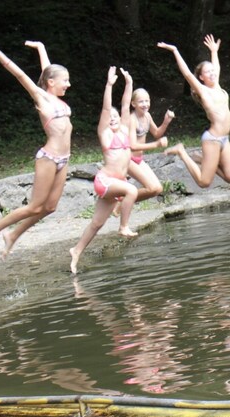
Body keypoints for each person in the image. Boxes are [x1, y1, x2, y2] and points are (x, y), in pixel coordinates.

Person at [0, 41, 72, 259]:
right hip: (49, 158)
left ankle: (13, 235)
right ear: (51, 82)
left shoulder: (57, 99)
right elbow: (18, 74)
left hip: (64, 158)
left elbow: (48, 70)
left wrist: (42, 48)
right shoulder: (40, 96)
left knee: (50, 207)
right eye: (65, 80)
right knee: (36, 207)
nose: (69, 84)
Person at [69, 66, 138, 274]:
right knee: (132, 190)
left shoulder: (125, 130)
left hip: (115, 186)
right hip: (106, 181)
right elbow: (107, 109)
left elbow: (125, 106)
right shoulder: (105, 134)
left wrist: (129, 83)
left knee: (97, 223)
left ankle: (76, 251)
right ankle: (123, 226)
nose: (114, 118)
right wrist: (109, 85)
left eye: (116, 116)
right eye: (111, 117)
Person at [157, 34, 230, 188]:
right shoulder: (203, 91)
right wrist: (175, 51)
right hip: (213, 139)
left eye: (212, 71)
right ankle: (181, 151)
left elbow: (217, 67)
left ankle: (202, 159)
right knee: (203, 182)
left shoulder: (218, 87)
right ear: (201, 77)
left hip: (224, 139)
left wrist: (214, 51)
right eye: (207, 72)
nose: (212, 73)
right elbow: (187, 73)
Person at [128, 89, 174, 202]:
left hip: (139, 159)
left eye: (147, 101)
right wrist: (156, 144)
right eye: (141, 102)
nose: (145, 104)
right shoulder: (132, 119)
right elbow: (133, 145)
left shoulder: (147, 116)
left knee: (157, 189)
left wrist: (166, 121)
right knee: (151, 188)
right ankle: (122, 202)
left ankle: (122, 202)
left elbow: (157, 133)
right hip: (128, 159)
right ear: (133, 104)